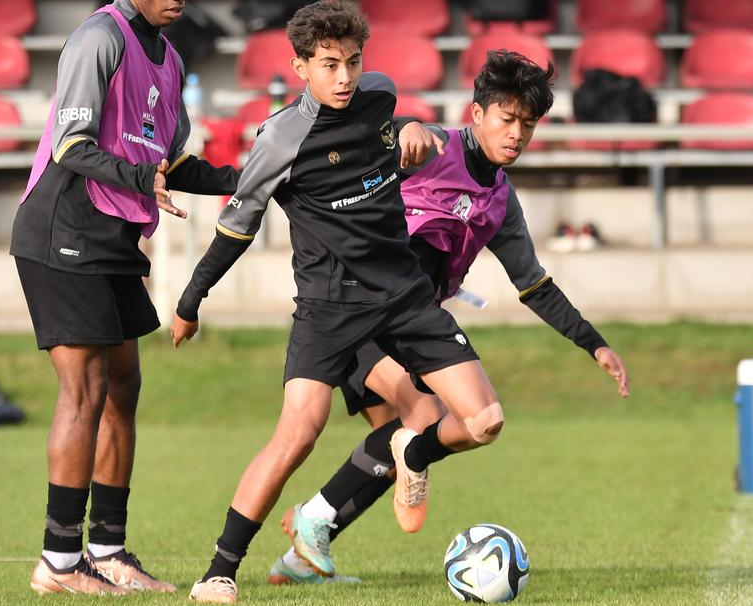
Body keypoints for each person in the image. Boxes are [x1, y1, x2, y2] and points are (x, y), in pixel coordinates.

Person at [172, 0, 511, 604]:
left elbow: (402, 130)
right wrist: (191, 299)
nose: (345, 76)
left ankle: (412, 449)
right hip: (329, 308)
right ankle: (219, 572)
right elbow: (236, 225)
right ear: (300, 66)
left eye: (353, 61)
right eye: (329, 65)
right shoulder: (281, 136)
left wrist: (415, 127)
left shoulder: (379, 95)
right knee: (297, 435)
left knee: (485, 422)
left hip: (406, 298)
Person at [267, 50, 631, 586]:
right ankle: (308, 523)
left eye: (528, 125)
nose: (517, 134)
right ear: (477, 113)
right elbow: (363, 137)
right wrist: (405, 126)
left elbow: (533, 284)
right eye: (507, 119)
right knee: (419, 422)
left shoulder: (500, 201)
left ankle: (302, 553)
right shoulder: (433, 148)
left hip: (410, 324)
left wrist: (594, 343)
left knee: (398, 444)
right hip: (350, 309)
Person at [10, 0, 238, 595]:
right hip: (62, 229)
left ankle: (108, 551)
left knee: (124, 388)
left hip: (112, 240)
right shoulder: (98, 38)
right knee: (83, 392)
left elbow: (172, 162)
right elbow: (71, 146)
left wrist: (247, 179)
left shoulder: (170, 59)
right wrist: (145, 178)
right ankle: (58, 563)